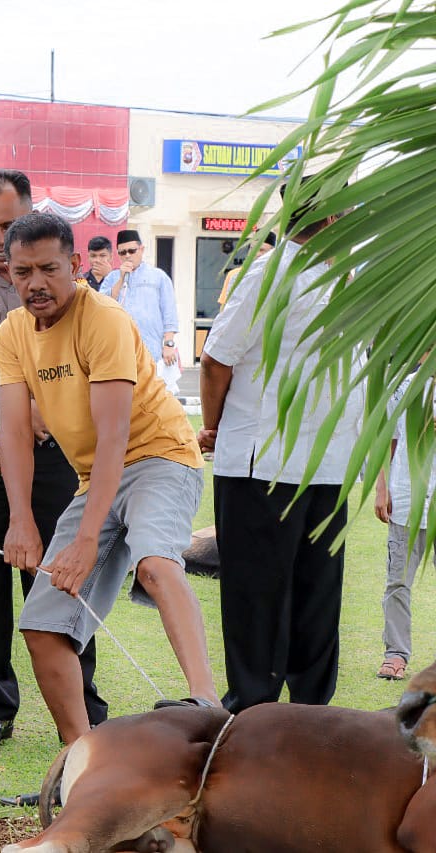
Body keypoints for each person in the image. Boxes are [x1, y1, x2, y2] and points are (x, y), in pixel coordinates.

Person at [0, 212, 218, 747]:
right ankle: (81, 760)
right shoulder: (12, 334)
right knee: (42, 625)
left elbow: (116, 434)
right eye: (23, 272)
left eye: (49, 269)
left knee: (155, 561)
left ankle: (208, 704)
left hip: (160, 455)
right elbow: (16, 432)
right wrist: (21, 521)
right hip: (94, 478)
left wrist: (88, 541)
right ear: (9, 273)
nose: (35, 284)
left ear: (74, 265)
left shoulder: (105, 319)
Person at [0, 169, 105, 751]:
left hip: (55, 454)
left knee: (61, 574)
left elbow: (87, 372)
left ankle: (84, 701)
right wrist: (14, 418)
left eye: (9, 224)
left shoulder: (68, 288)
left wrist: (29, 422)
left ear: (31, 215)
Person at [199, 188, 362, 712]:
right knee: (316, 596)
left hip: (263, 460)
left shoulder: (273, 273)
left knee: (260, 596)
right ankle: (310, 710)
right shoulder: (351, 279)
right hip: (320, 461)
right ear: (335, 213)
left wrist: (213, 427)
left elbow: (216, 358)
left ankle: (254, 709)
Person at [374, 370, 434, 682]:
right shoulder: (402, 387)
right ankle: (395, 654)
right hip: (406, 501)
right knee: (397, 582)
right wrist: (381, 489)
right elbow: (387, 441)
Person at [100, 229, 180, 393]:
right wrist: (121, 278)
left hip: (152, 349)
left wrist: (169, 344)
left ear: (141, 250)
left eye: (132, 251)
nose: (128, 255)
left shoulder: (159, 277)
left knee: (154, 396)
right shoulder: (112, 278)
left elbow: (169, 313)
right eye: (123, 252)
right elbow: (103, 306)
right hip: (121, 350)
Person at [217, 230, 276, 306]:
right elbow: (224, 307)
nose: (256, 253)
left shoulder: (277, 275)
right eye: (253, 249)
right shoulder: (235, 275)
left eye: (261, 250)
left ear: (272, 252)